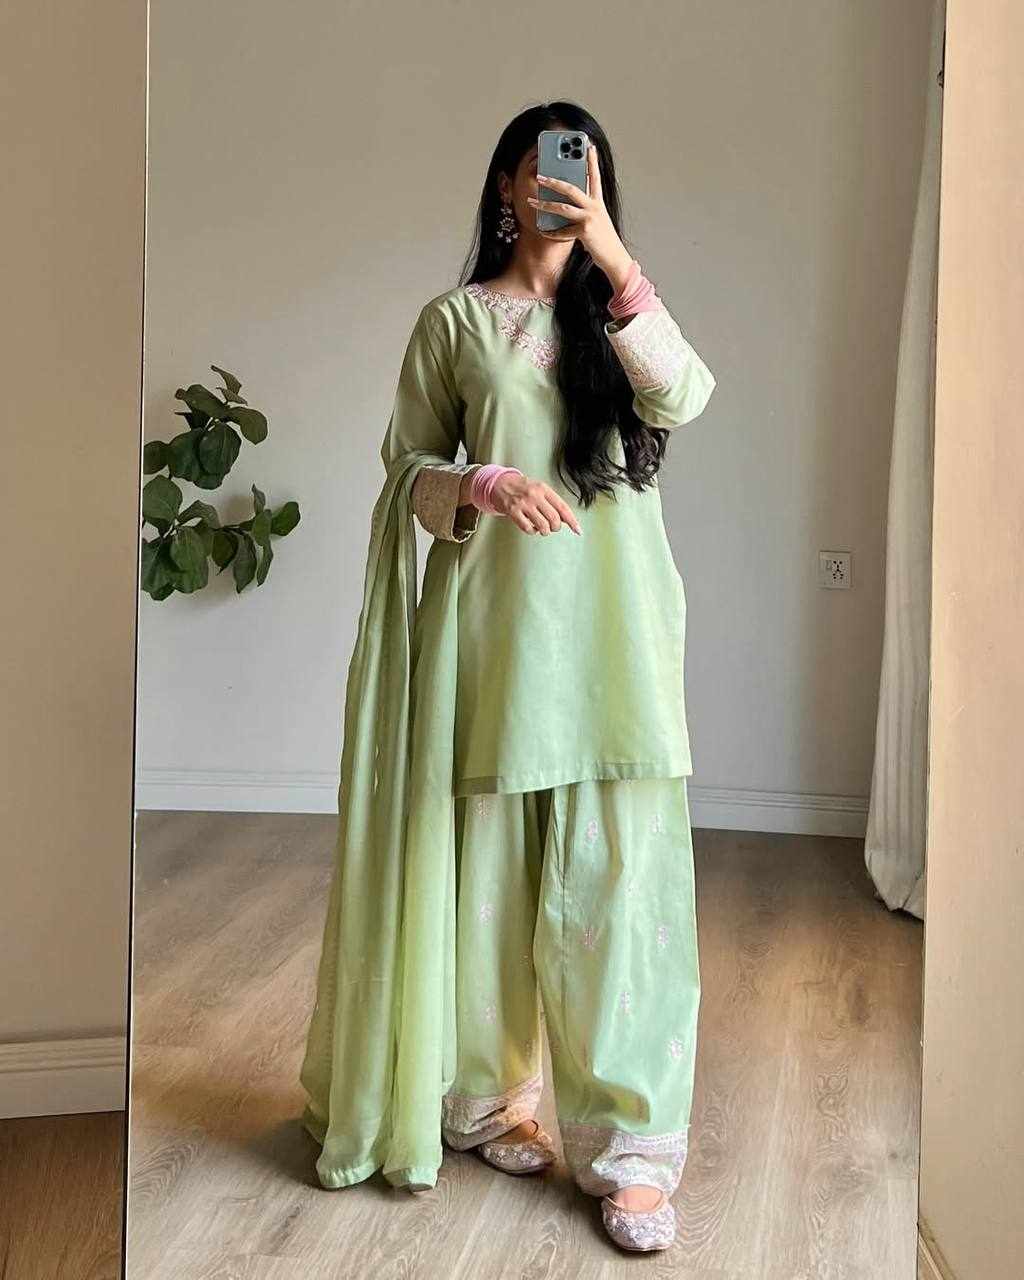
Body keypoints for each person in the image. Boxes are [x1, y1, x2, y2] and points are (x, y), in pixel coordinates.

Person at [299, 101, 715, 1254]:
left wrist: (617, 264)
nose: (558, 189)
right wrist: (479, 483)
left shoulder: (621, 316)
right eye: (540, 170)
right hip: (495, 638)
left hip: (618, 641)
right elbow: (405, 470)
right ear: (503, 186)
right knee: (486, 877)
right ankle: (486, 1101)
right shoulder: (453, 323)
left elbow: (685, 396)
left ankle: (632, 1149)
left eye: (580, 174)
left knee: (620, 893)